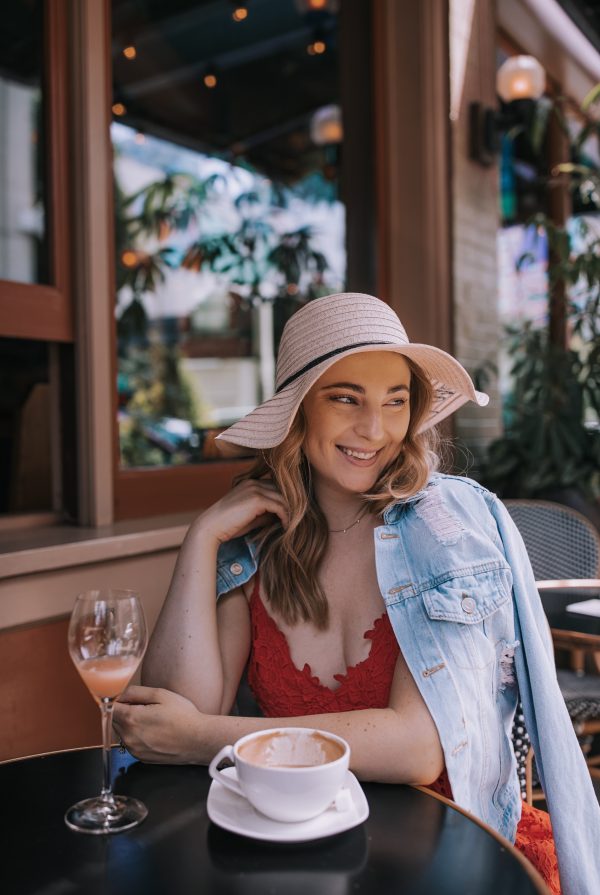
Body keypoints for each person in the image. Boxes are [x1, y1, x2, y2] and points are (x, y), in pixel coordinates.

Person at [113, 292, 600, 895]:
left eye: (395, 402)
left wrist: (199, 740)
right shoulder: (258, 545)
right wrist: (201, 539)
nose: (374, 430)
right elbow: (170, 714)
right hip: (299, 853)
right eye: (346, 398)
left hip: (450, 853)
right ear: (298, 414)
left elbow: (419, 748)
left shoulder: (444, 527)